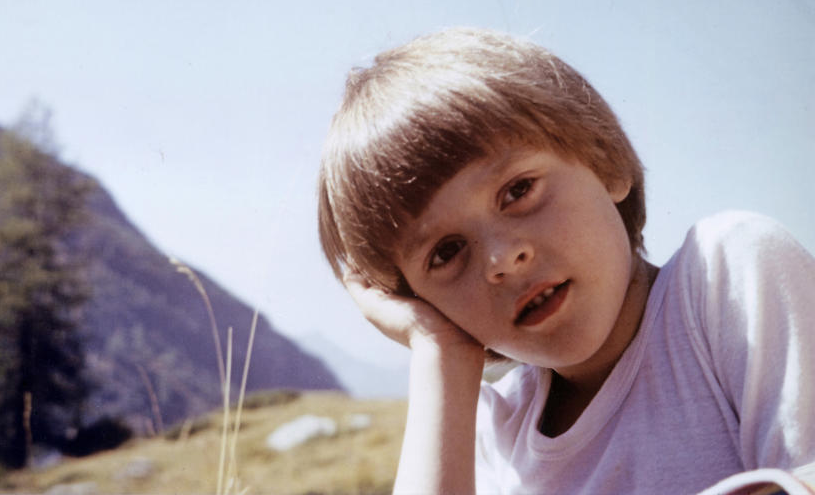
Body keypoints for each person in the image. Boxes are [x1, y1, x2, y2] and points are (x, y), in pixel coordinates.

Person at [316, 28, 815, 494]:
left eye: (518, 190)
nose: (502, 259)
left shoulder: (723, 275)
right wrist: (439, 348)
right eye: (446, 253)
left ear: (605, 163)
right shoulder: (489, 437)